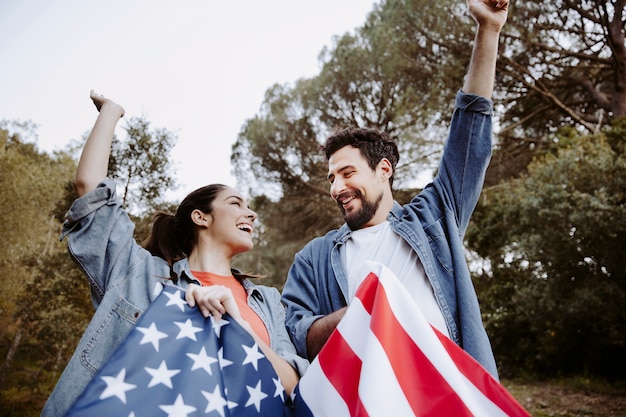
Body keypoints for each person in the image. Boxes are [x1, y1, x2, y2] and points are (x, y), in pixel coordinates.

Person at [41, 91, 308, 417]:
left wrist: (242, 327)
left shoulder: (266, 302)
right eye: (236, 203)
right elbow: (90, 188)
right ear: (201, 217)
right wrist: (110, 112)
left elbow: (294, 385)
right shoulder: (139, 273)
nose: (251, 214)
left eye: (251, 208)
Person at [281, 0, 508, 379]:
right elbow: (299, 335)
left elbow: (470, 133)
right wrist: (364, 307)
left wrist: (489, 30)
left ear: (384, 169)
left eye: (348, 172)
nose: (337, 187)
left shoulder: (434, 218)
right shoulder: (314, 258)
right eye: (331, 179)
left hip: (450, 393)